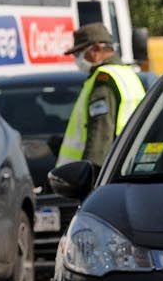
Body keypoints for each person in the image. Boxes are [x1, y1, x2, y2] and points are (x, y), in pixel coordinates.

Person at [56, 22, 146, 170]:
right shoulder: (127, 74)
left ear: (96, 49)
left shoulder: (104, 80)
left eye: (79, 53)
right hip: (126, 163)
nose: (76, 59)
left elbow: (100, 132)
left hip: (102, 171)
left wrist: (90, 172)